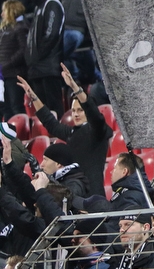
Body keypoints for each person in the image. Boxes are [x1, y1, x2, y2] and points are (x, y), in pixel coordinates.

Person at [25, 65, 111, 197]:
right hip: (75, 193)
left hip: (93, 196)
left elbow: (94, 114)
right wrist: (34, 98)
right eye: (74, 111)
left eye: (80, 110)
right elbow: (51, 124)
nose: (75, 114)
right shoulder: (72, 133)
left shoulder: (98, 131)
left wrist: (75, 88)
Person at [24, 0, 64, 118]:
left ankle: (59, 138)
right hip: (37, 68)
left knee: (54, 108)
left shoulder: (52, 4)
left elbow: (52, 34)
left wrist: (37, 55)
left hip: (48, 67)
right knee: (42, 112)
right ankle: (47, 139)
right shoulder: (38, 7)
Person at [0, 0, 28, 118]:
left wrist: (9, 63)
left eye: (4, 11)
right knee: (6, 108)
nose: (2, 14)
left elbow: (23, 50)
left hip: (14, 74)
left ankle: (21, 134)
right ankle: (8, 135)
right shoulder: (5, 30)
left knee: (16, 106)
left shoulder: (21, 27)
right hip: (4, 75)